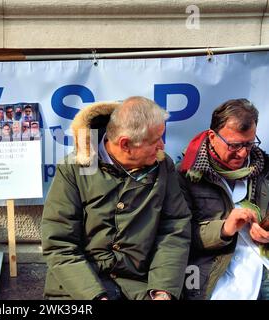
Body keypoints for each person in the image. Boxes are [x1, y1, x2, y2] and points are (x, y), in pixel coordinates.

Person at [41, 96, 191, 300]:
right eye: (155, 141)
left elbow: (173, 229)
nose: (162, 147)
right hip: (78, 289)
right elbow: (59, 243)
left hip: (141, 284)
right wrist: (95, 296)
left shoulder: (163, 167)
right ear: (126, 144)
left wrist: (162, 290)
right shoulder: (73, 170)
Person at [178, 98, 269, 300]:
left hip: (262, 271)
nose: (244, 153)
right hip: (211, 276)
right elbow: (176, 236)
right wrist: (224, 229)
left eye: (249, 144)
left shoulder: (265, 167)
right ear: (212, 136)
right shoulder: (185, 174)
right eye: (235, 145)